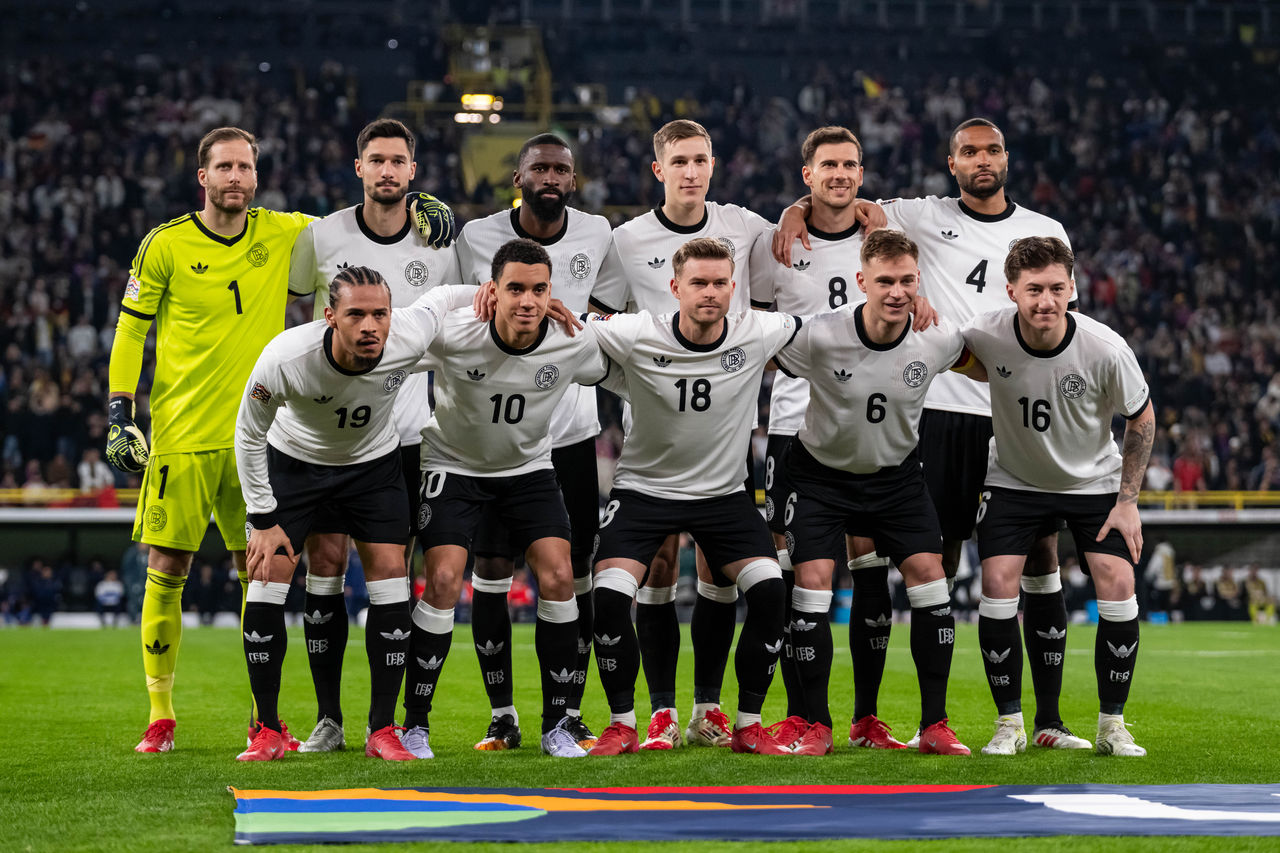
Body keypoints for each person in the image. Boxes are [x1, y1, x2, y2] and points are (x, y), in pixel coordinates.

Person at [108, 126, 456, 755]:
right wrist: (117, 411)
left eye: (246, 166)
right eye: (224, 168)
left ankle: (265, 720)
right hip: (189, 432)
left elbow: (370, 213)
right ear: (203, 176)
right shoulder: (164, 245)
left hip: (280, 440)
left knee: (266, 573)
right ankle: (161, 712)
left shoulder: (290, 231)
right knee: (166, 568)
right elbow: (131, 330)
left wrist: (414, 205)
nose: (236, 177)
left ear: (256, 175)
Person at [773, 118, 1080, 750]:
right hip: (935, 409)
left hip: (1013, 415)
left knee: (1040, 557)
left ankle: (1044, 721)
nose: (981, 160)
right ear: (952, 163)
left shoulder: (1045, 232)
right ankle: (886, 718)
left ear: (1006, 157)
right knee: (917, 566)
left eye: (992, 149)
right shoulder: (917, 214)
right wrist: (792, 212)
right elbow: (841, 198)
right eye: (969, 151)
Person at [234, 265, 478, 761]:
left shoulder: (406, 333)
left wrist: (495, 291)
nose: (371, 326)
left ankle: (381, 730)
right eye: (356, 315)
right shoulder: (286, 358)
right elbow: (248, 433)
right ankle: (267, 728)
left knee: (391, 576)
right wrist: (262, 518)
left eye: (380, 314)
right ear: (330, 317)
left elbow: (448, 294)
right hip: (296, 467)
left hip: (372, 469)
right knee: (267, 576)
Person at [591, 119, 773, 750]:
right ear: (658, 169)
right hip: (653, 428)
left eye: (701, 159)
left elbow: (803, 261)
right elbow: (601, 316)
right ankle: (661, 710)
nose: (691, 171)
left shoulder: (747, 227)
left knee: (723, 576)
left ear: (713, 165)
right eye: (680, 161)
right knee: (659, 569)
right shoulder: (626, 238)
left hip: (726, 436)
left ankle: (710, 708)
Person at [749, 127, 931, 749]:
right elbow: (753, 331)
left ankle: (868, 716)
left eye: (850, 165)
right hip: (795, 428)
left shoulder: (883, 237)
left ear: (862, 172)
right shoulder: (778, 241)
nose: (840, 175)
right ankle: (797, 712)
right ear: (807, 174)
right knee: (793, 574)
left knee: (872, 568)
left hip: (871, 428)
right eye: (828, 165)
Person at [285, 118, 460, 754]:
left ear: (414, 172)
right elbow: (292, 303)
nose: (387, 171)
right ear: (358, 166)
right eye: (376, 160)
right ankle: (329, 718)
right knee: (324, 568)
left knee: (400, 574)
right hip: (329, 433)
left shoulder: (443, 241)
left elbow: (471, 303)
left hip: (412, 433)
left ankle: (399, 721)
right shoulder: (321, 234)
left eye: (399, 161)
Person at [404, 238, 609, 760]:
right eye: (514, 288)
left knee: (562, 575)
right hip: (454, 467)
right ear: (492, 292)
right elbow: (397, 336)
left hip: (527, 470)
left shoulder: (571, 340)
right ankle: (415, 725)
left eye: (539, 290)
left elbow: (624, 353)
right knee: (446, 579)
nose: (527, 301)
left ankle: (557, 724)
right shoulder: (455, 333)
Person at [773, 229, 974, 756]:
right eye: (885, 280)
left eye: (908, 280)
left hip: (897, 479)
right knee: (812, 586)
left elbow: (987, 360)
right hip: (820, 476)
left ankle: (935, 724)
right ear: (861, 281)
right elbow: (755, 352)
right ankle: (816, 723)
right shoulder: (819, 334)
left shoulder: (938, 339)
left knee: (932, 582)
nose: (897, 291)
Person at [961, 236, 1154, 757]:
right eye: (1033, 290)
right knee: (998, 582)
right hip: (1014, 481)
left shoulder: (1105, 347)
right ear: (1012, 292)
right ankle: (1011, 725)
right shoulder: (986, 335)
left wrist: (1128, 500)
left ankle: (1112, 726)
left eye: (1055, 288)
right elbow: (953, 357)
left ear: (1072, 287)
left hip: (1092, 482)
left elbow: (1141, 417)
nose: (1045, 301)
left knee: (1117, 578)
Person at [453, 133, 614, 752]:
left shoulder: (598, 233)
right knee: (491, 569)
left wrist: (572, 317)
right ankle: (501, 713)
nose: (551, 176)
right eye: (539, 167)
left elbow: (609, 311)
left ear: (573, 179)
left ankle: (566, 713)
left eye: (562, 169)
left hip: (570, 430)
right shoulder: (475, 237)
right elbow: (464, 313)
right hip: (494, 435)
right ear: (516, 177)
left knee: (570, 574)